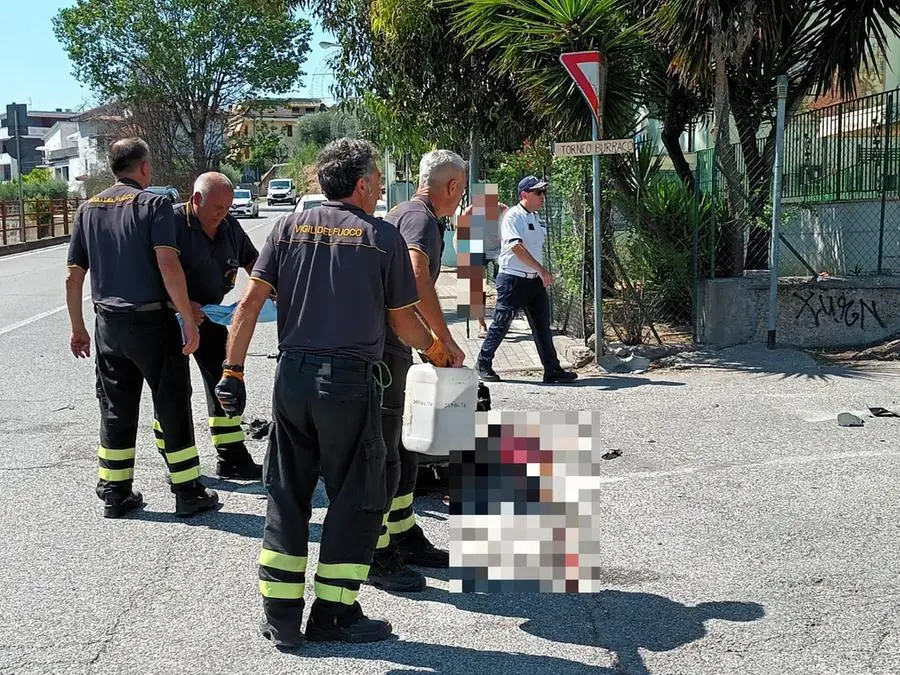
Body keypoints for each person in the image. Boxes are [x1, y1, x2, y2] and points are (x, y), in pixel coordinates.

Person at [213, 138, 454, 648]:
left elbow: (247, 307)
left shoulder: (285, 228)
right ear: (363, 184)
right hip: (348, 384)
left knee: (287, 495)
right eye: (379, 180)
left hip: (292, 380)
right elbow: (402, 322)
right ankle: (334, 614)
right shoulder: (380, 237)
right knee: (359, 497)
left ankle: (279, 618)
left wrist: (232, 371)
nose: (383, 188)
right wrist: (436, 350)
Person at [64, 137, 219, 519]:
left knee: (116, 408)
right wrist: (187, 317)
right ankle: (187, 493)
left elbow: (73, 276)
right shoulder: (154, 204)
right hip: (151, 322)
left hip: (108, 326)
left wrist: (77, 328)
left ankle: (116, 493)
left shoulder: (88, 208)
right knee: (171, 403)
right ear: (145, 168)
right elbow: (168, 265)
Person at [366, 150, 467, 593]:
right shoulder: (421, 218)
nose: (460, 199)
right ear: (451, 187)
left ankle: (404, 533)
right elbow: (415, 272)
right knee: (390, 451)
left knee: (406, 450)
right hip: (390, 350)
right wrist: (439, 339)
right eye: (461, 190)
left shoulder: (404, 210)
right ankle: (380, 551)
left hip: (394, 348)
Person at [153, 172, 263, 481]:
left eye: (228, 207)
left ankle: (232, 456)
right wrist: (183, 307)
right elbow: (155, 272)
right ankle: (174, 458)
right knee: (173, 391)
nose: (223, 214)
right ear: (196, 199)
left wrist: (268, 293)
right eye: (218, 207)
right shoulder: (171, 223)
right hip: (170, 317)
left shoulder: (229, 226)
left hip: (213, 316)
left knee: (224, 382)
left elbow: (254, 263)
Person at [476, 176, 578, 384]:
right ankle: (483, 362)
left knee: (542, 325)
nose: (543, 197)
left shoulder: (534, 217)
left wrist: (541, 272)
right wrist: (542, 270)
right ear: (524, 195)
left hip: (533, 281)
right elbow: (516, 247)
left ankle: (552, 369)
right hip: (513, 279)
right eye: (538, 193)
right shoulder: (513, 216)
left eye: (543, 192)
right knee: (501, 323)